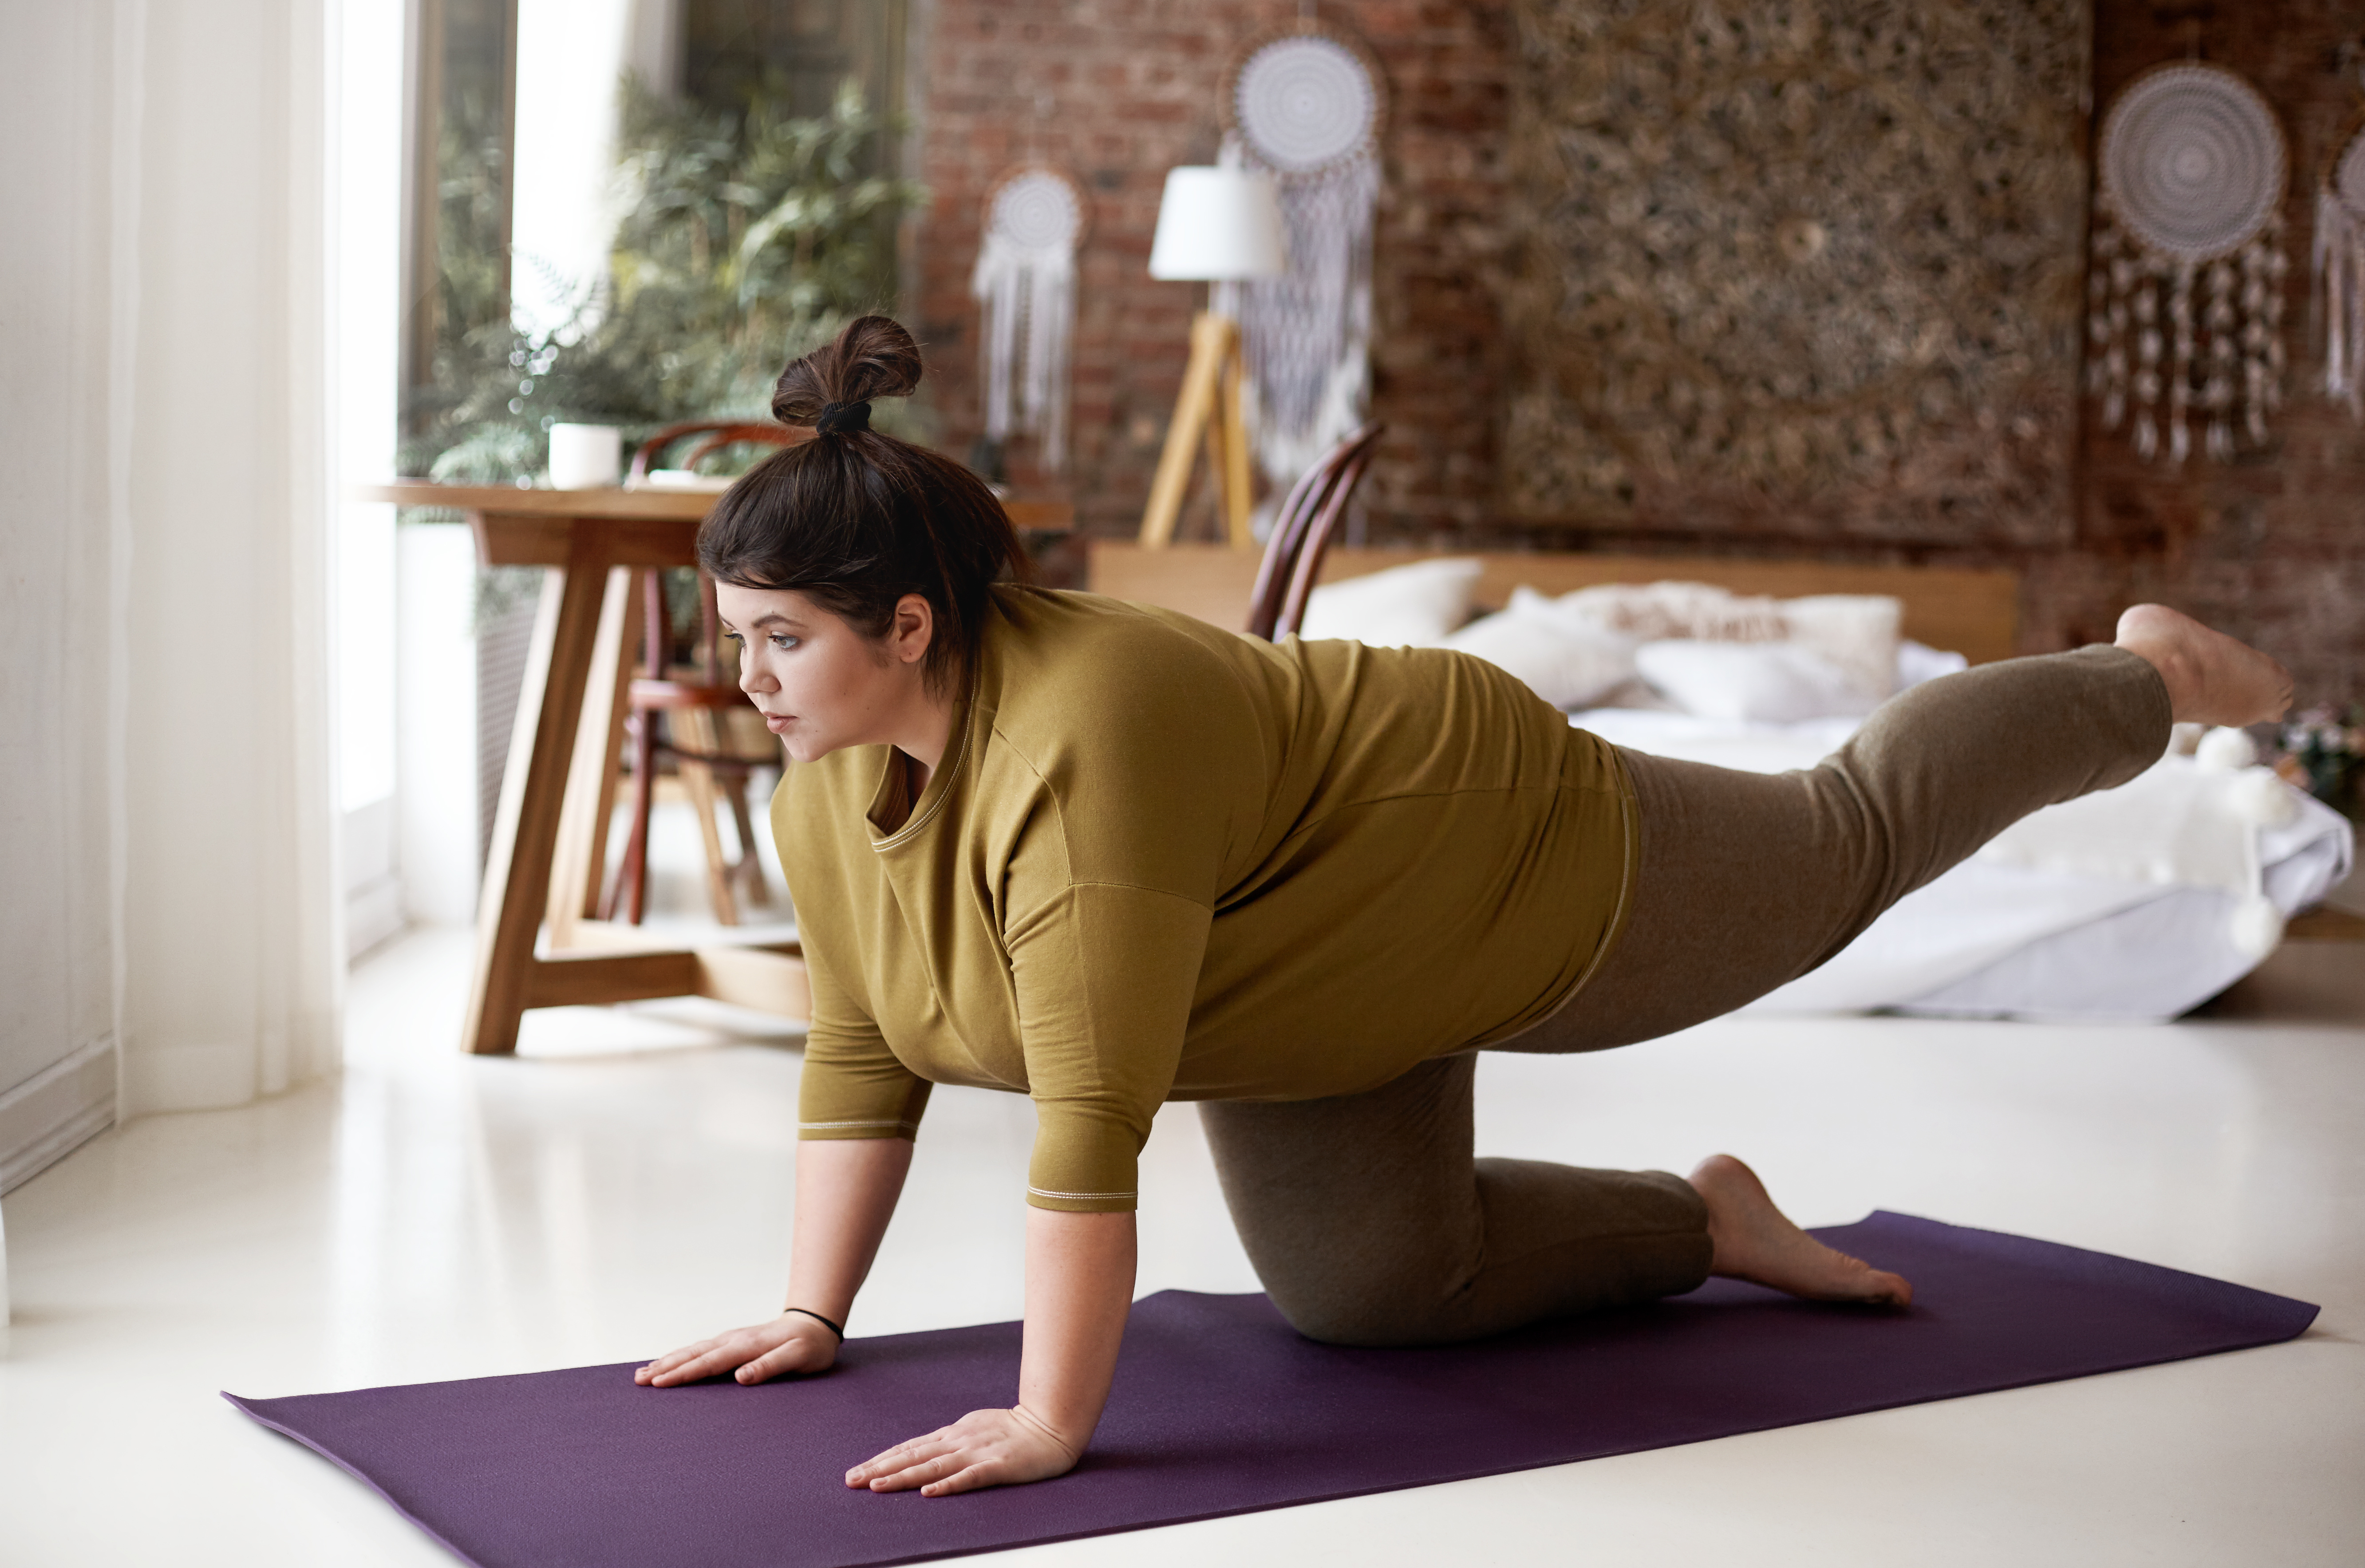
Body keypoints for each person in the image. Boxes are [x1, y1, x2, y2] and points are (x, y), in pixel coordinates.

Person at [633, 315, 2295, 1498]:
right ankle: (1701, 1217)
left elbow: (1090, 1125)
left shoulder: (1090, 741)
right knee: (1373, 1298)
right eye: (739, 633)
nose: (746, 674)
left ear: (911, 628)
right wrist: (809, 1312)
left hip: (1485, 848)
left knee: (1840, 841)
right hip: (1309, 982)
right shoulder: (826, 786)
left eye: (781, 636)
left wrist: (1051, 1421)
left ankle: (2138, 674)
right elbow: (861, 1052)